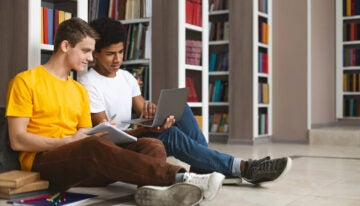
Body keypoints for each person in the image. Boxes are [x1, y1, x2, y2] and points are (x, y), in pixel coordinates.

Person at [5, 17, 225, 206]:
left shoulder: (78, 91)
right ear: (65, 46)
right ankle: (181, 178)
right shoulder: (25, 81)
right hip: (45, 162)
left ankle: (151, 192)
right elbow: (18, 140)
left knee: (152, 144)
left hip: (83, 163)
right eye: (86, 51)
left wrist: (106, 133)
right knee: (92, 146)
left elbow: (85, 134)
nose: (91, 58)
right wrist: (67, 141)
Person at [78, 17, 292, 186]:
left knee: (180, 108)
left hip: (136, 137)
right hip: (120, 149)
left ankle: (204, 168)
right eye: (110, 54)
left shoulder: (126, 77)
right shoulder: (88, 83)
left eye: (121, 52)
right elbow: (104, 134)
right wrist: (149, 130)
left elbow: (142, 108)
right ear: (95, 53)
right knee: (169, 135)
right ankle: (244, 168)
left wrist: (154, 112)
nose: (117, 60)